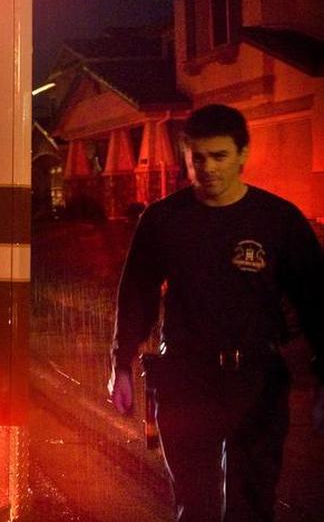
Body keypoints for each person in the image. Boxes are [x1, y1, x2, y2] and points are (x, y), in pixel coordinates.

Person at [109, 103, 324, 522]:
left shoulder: (277, 220)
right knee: (195, 505)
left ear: (243, 154)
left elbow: (316, 299)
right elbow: (136, 293)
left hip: (257, 379)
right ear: (187, 156)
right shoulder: (164, 220)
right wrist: (121, 365)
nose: (207, 167)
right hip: (185, 379)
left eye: (220, 155)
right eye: (197, 157)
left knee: (252, 505)